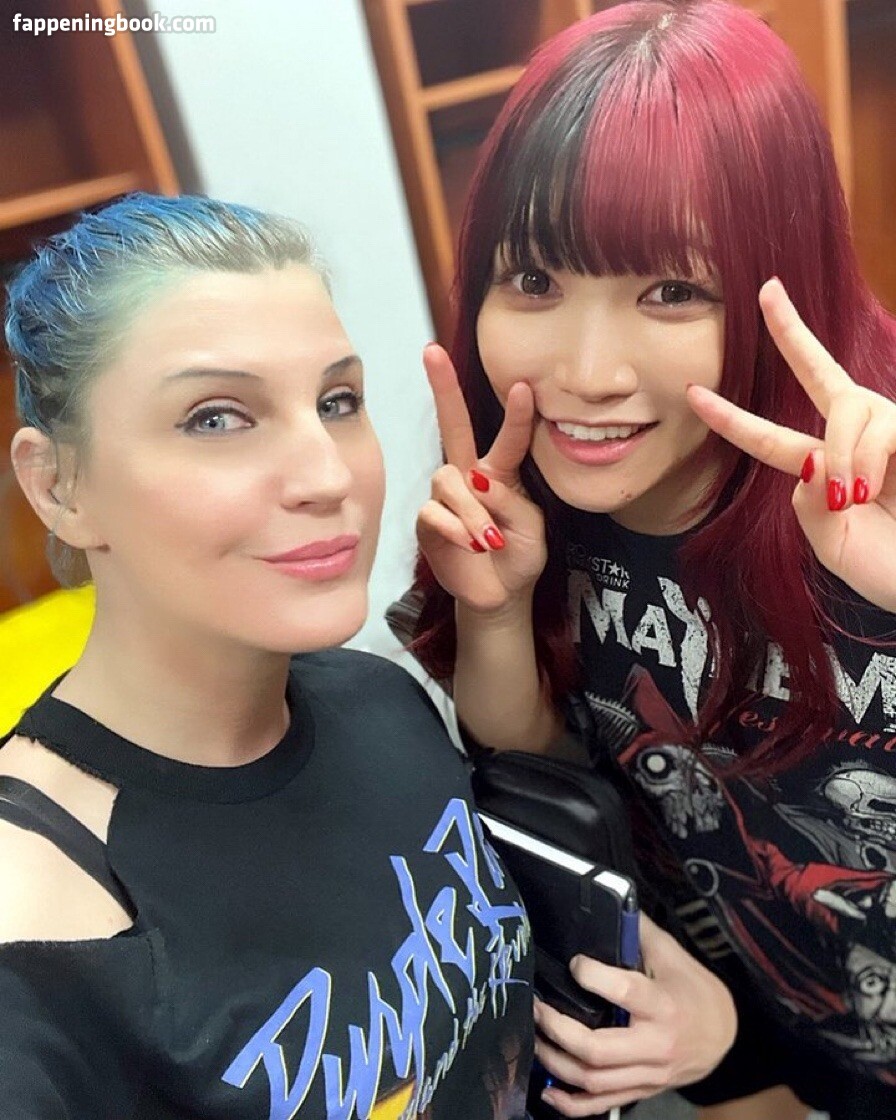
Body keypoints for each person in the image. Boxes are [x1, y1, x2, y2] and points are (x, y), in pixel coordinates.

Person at [402, 2, 896, 1119]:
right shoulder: (532, 499)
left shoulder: (875, 493)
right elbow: (547, 762)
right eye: (534, 282)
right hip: (748, 1015)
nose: (587, 372)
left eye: (671, 291)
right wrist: (496, 611)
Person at [0, 192, 534, 1120]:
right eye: (216, 418)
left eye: (337, 402)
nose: (328, 475)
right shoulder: (43, 919)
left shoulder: (381, 700)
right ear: (59, 486)